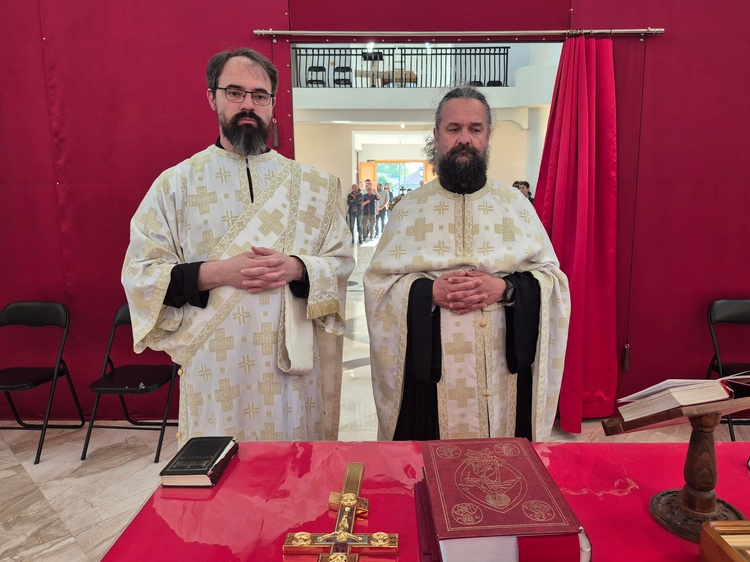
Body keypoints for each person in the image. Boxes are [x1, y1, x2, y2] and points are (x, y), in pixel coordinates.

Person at [122, 48, 354, 446]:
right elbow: (141, 274)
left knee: (292, 468)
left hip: (291, 367)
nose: (248, 104)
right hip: (215, 366)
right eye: (234, 92)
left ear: (273, 104)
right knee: (220, 470)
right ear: (212, 97)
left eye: (259, 95)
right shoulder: (175, 185)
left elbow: (343, 262)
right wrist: (219, 272)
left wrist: (298, 268)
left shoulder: (315, 186)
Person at [364, 87, 570, 442]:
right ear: (437, 135)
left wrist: (506, 288)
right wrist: (427, 292)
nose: (465, 139)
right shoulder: (409, 209)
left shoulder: (516, 205)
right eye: (454, 128)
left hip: (503, 376)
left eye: (475, 129)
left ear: (488, 135)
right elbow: (377, 285)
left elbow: (554, 282)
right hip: (430, 380)